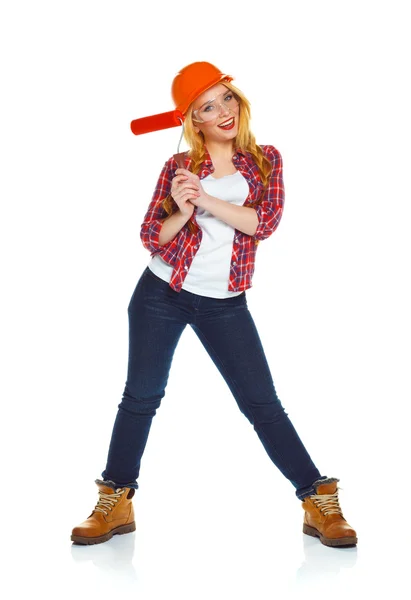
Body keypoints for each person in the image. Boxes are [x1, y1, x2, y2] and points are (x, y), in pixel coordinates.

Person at [71, 62, 357, 548]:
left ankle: (317, 500)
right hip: (160, 294)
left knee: (261, 403)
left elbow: (262, 224)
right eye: (207, 106)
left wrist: (204, 199)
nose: (222, 111)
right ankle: (116, 500)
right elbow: (150, 238)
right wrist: (182, 210)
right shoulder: (177, 167)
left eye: (227, 98)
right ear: (194, 120)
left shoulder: (265, 160)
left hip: (224, 303)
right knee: (141, 397)